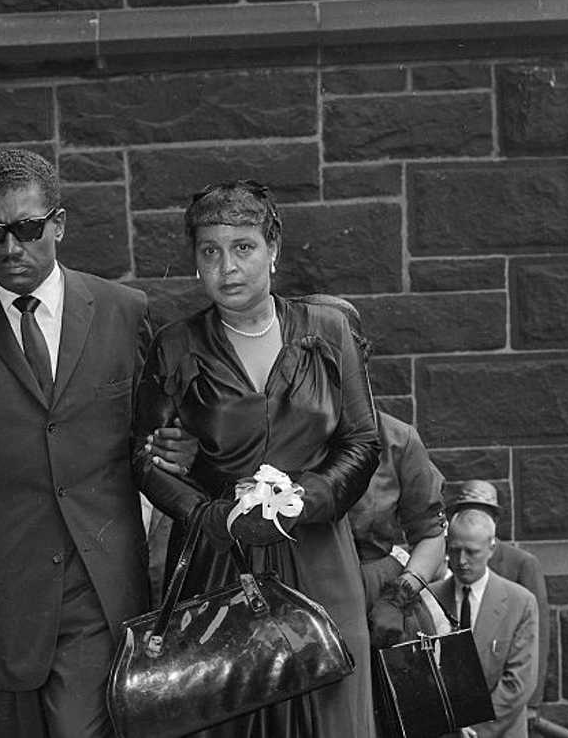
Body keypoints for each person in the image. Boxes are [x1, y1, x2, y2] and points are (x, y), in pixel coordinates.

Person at [0, 149, 195, 738]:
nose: (11, 248)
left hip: (101, 591)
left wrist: (176, 454)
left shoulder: (124, 311)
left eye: (28, 229)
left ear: (57, 224)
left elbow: (152, 446)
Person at [132, 179, 382, 736]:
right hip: (221, 561)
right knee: (233, 715)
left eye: (243, 247)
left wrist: (304, 500)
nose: (228, 267)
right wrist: (207, 514)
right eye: (210, 251)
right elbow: (145, 458)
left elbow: (363, 442)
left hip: (318, 553)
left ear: (273, 250)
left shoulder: (328, 331)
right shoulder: (176, 344)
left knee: (334, 713)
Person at [430, 510, 539, 738]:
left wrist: (474, 730)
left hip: (501, 731)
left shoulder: (520, 602)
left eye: (472, 552)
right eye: (454, 550)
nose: (461, 561)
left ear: (491, 549)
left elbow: (519, 683)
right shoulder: (430, 598)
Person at [447, 480, 550, 720]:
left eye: (484, 511)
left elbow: (538, 634)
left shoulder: (521, 563)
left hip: (502, 704)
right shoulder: (448, 557)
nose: (475, 517)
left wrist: (533, 702)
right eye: (467, 510)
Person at [350, 409, 446, 647]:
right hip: (302, 589)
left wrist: (396, 600)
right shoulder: (280, 433)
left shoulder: (397, 439)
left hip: (374, 598)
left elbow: (431, 535)